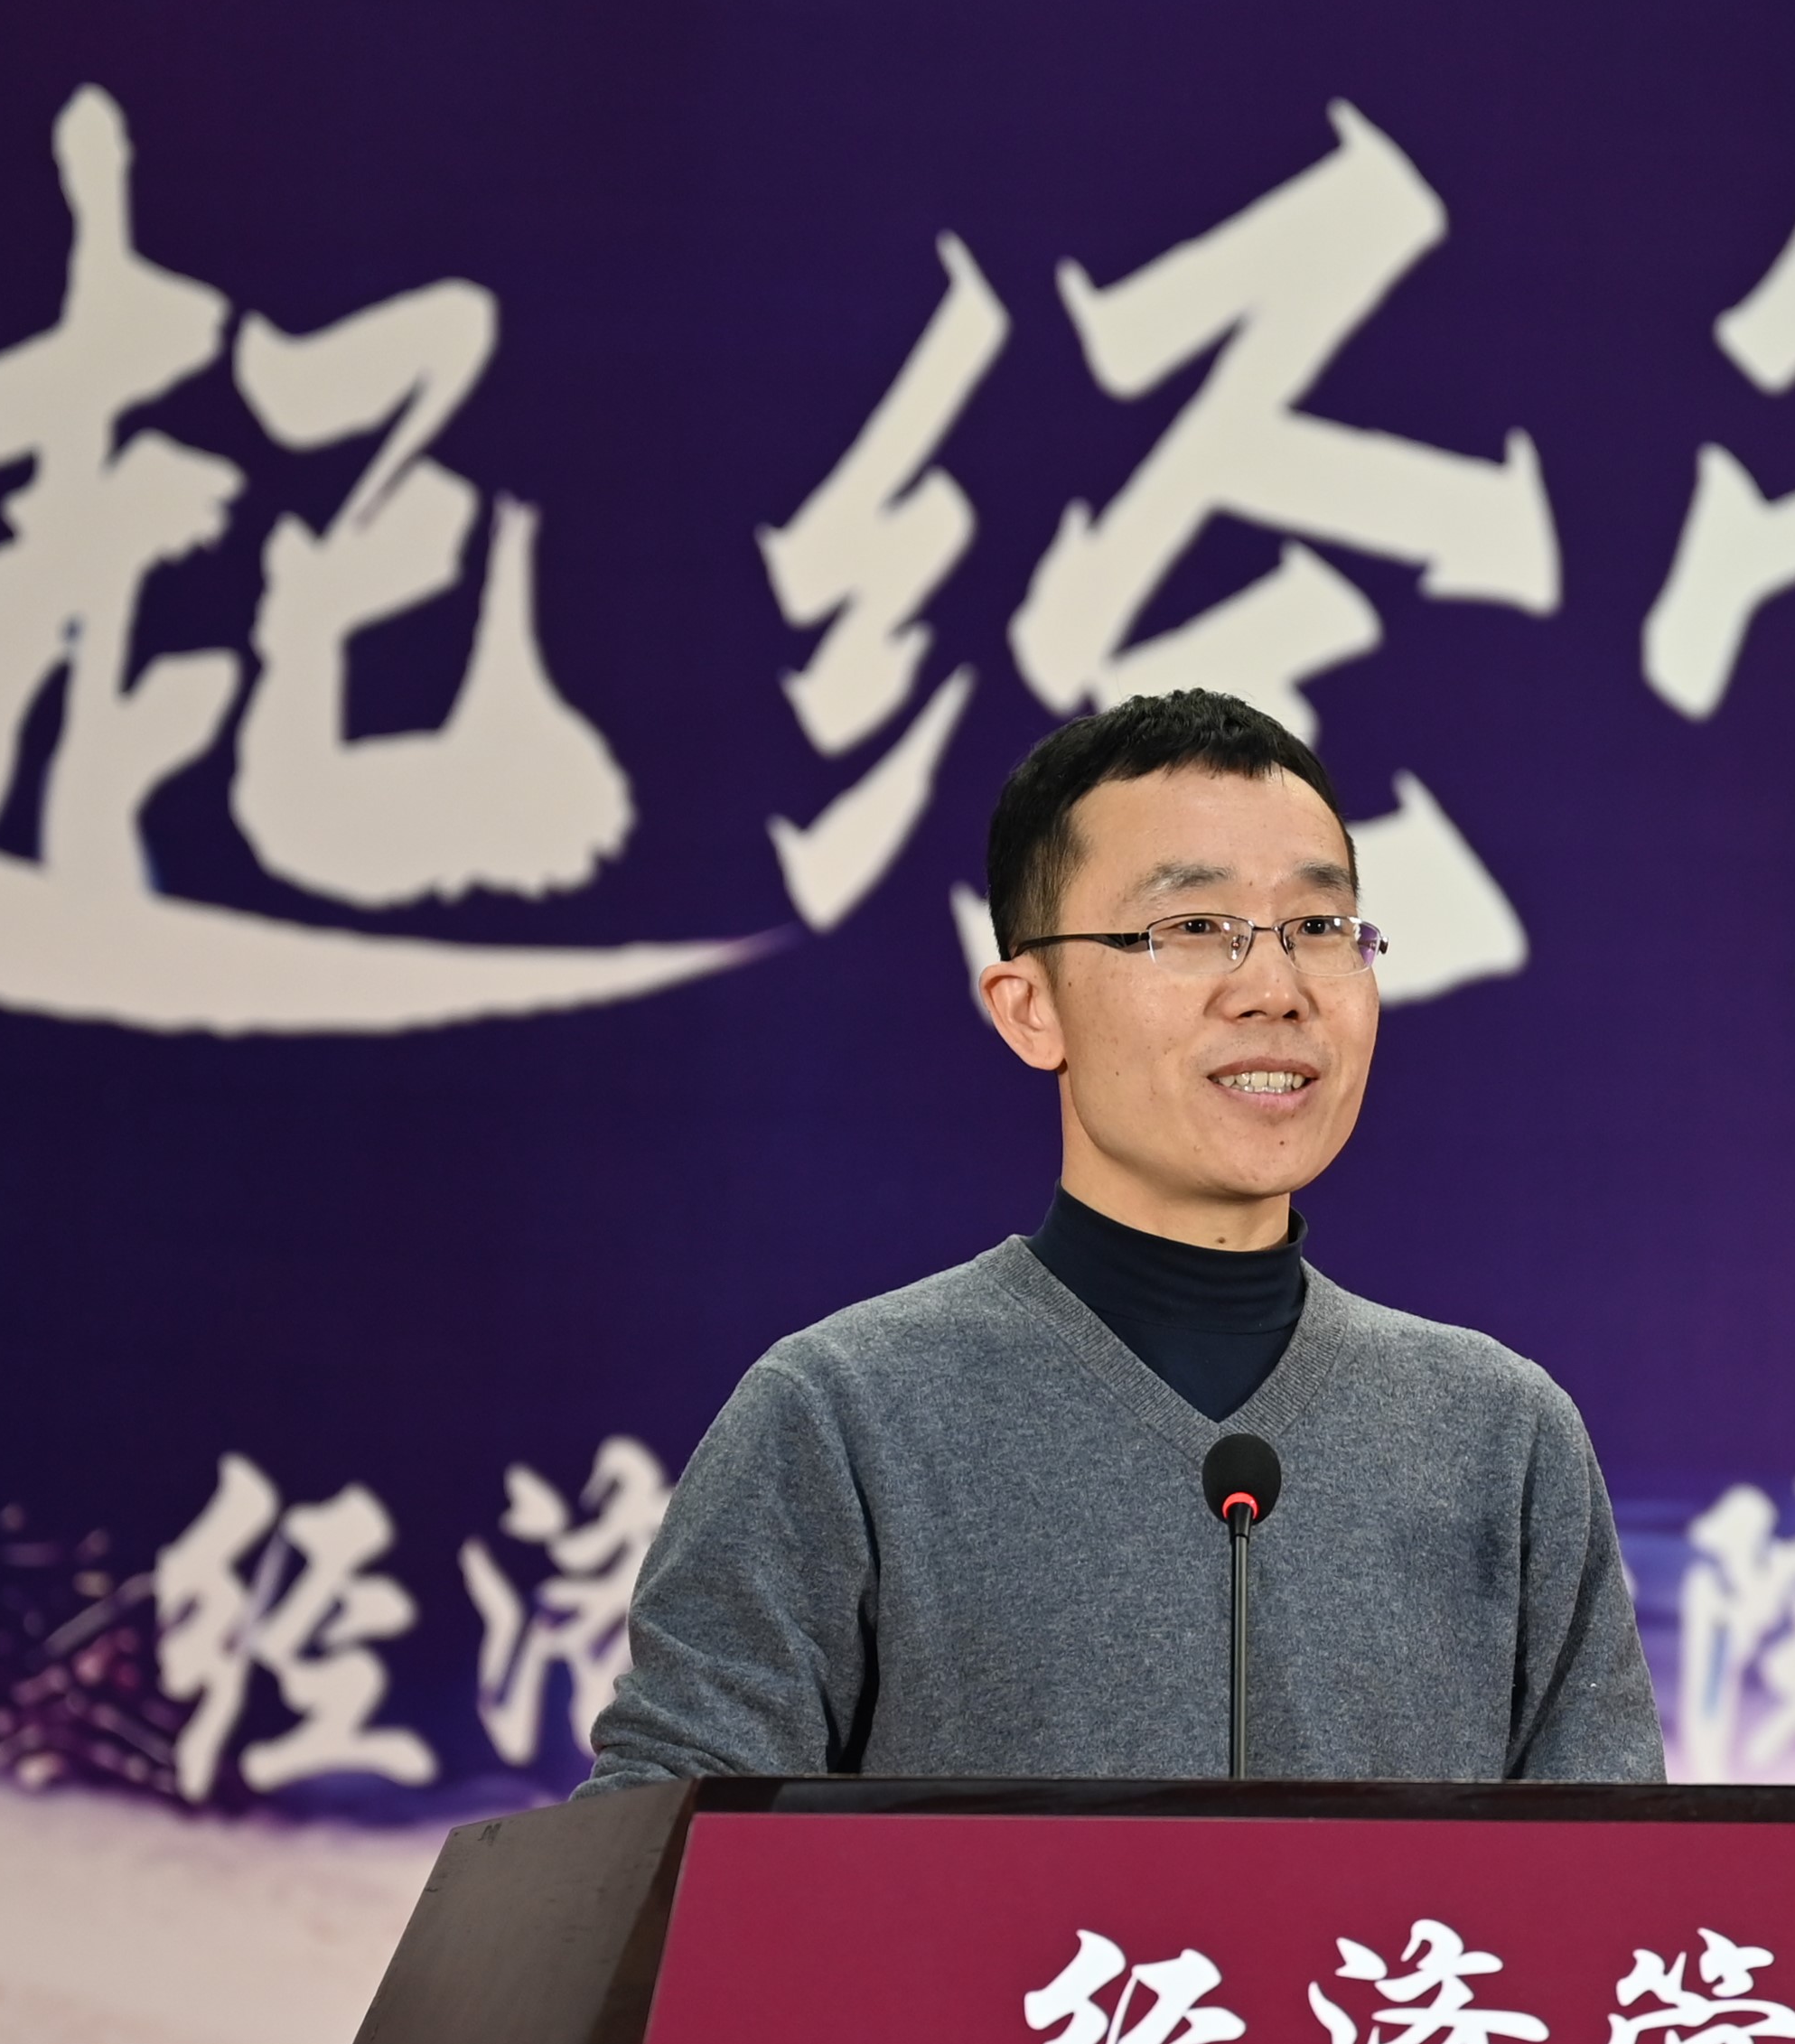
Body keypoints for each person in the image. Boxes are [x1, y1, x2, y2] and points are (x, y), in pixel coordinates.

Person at [585, 687, 1665, 1787]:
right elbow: (659, 1848)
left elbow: (1620, 1877)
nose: (1275, 989)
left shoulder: (1501, 1434)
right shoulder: (840, 1414)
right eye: (1193, 928)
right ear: (1028, 1007)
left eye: (1318, 928)